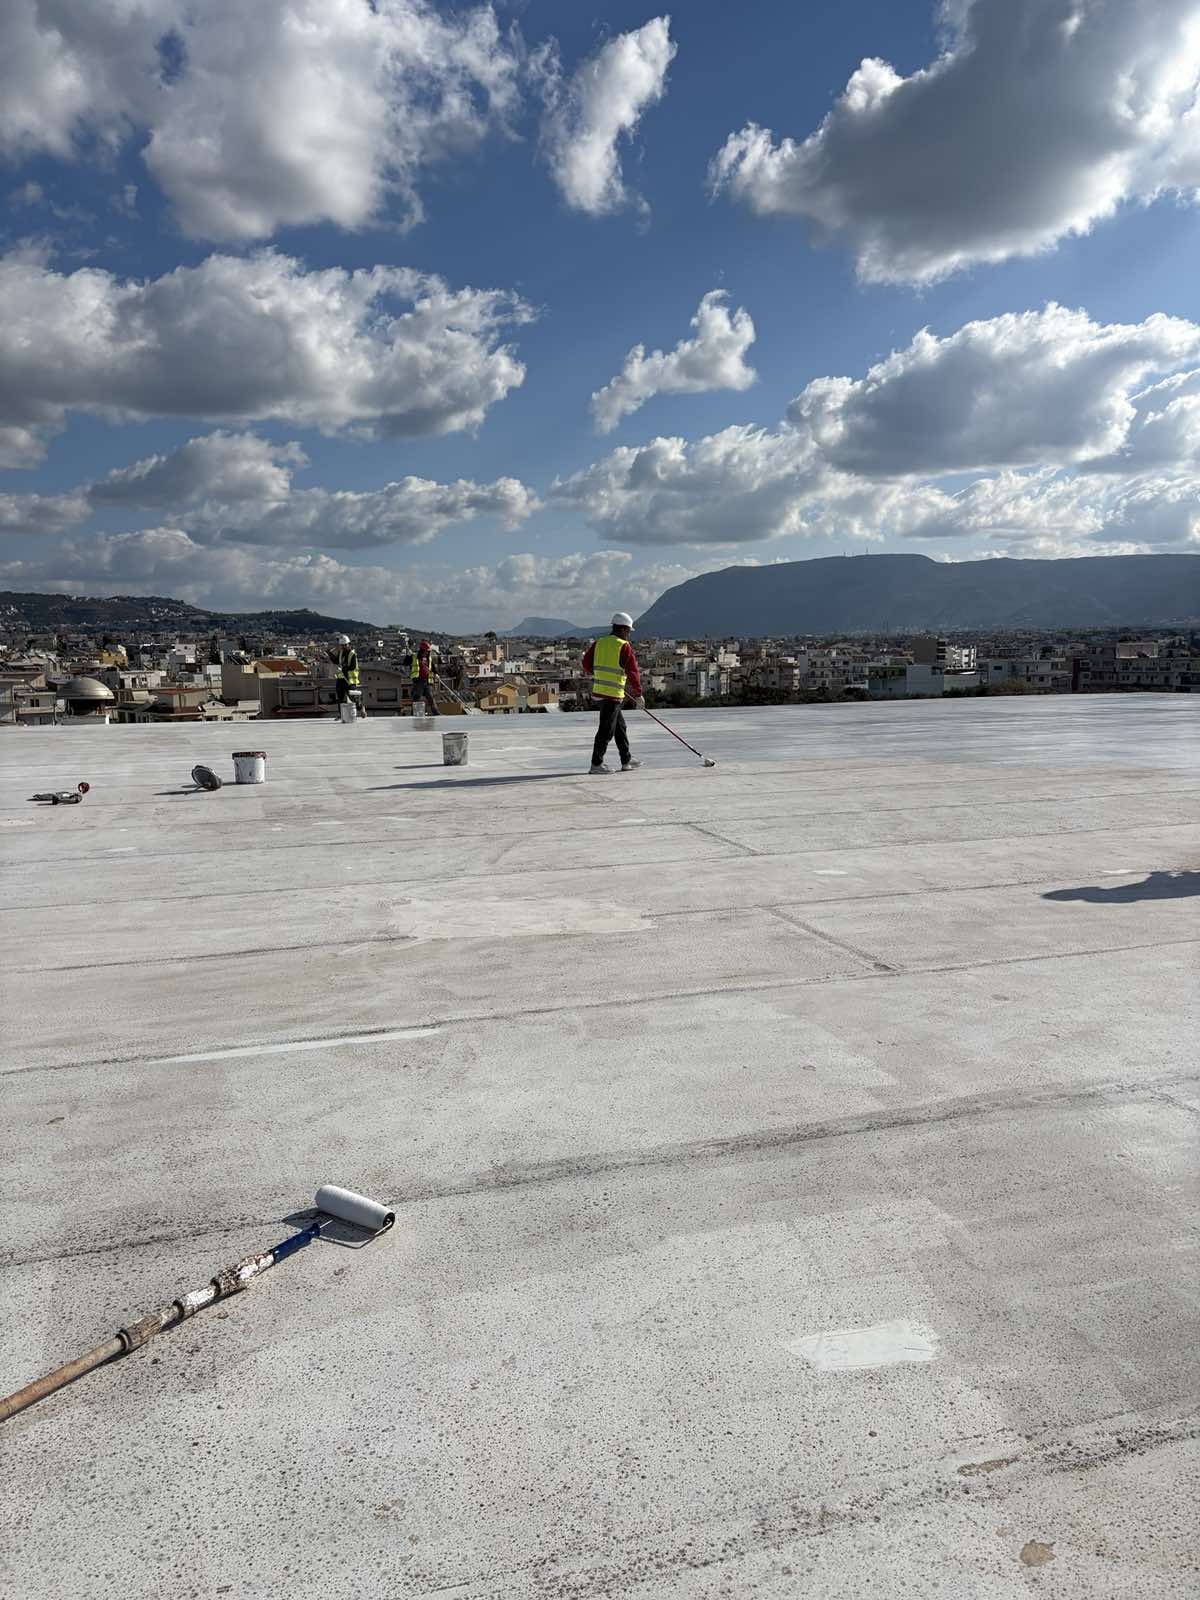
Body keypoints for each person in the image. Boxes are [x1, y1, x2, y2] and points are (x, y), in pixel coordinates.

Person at [582, 611, 644, 773]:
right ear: (622, 629)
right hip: (612, 695)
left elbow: (586, 663)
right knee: (606, 730)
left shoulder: (599, 642)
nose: (629, 634)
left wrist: (600, 674)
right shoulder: (623, 646)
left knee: (620, 727)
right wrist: (638, 694)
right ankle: (596, 764)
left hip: (599, 692)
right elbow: (633, 672)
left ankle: (626, 760)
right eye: (628, 631)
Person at [331, 634, 361, 717]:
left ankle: (361, 708)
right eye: (342, 645)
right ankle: (341, 714)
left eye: (345, 645)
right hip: (341, 678)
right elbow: (336, 661)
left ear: (348, 644)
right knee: (340, 697)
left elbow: (352, 666)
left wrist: (343, 668)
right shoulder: (341, 653)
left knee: (353, 697)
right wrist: (330, 655)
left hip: (350, 680)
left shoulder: (352, 654)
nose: (343, 647)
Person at [410, 639, 437, 714]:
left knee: (430, 697)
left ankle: (435, 712)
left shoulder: (428, 657)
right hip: (419, 680)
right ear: (423, 650)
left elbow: (432, 666)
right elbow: (406, 662)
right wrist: (408, 655)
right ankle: (413, 712)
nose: (428, 652)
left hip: (427, 681)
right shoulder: (415, 656)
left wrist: (436, 673)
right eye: (426, 651)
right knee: (417, 696)